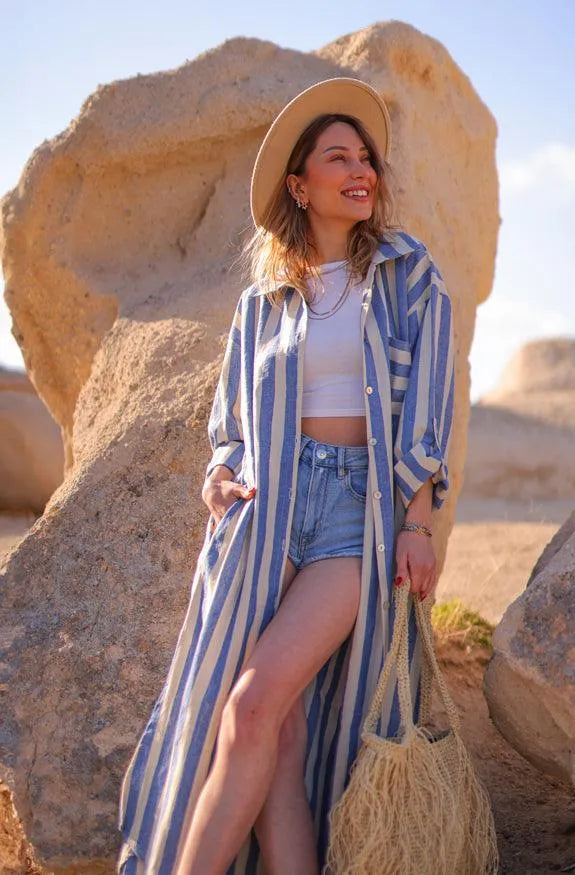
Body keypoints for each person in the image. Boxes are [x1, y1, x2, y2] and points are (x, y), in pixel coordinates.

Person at [118, 76, 456, 875]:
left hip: (355, 511)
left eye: (366, 156)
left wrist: (415, 519)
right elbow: (230, 428)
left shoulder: (409, 275)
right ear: (299, 186)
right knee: (281, 731)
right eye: (338, 156)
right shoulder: (262, 303)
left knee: (252, 702)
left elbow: (427, 410)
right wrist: (220, 475)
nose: (360, 168)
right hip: (270, 513)